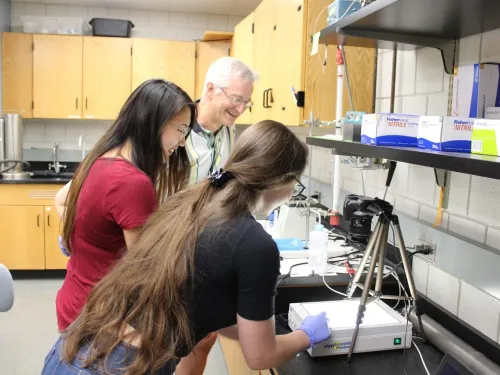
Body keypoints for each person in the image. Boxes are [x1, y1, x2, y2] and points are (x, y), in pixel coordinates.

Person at [42, 120, 331, 375]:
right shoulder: (256, 245)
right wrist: (306, 335)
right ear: (281, 181)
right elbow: (261, 357)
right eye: (296, 182)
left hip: (73, 349)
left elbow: (198, 306)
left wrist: (254, 330)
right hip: (120, 366)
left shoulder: (192, 202)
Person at [53, 79, 195, 333]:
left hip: (75, 302)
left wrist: (81, 244)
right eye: (181, 130)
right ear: (155, 123)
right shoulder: (132, 182)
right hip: (103, 319)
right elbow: (147, 270)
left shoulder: (102, 158)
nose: (182, 142)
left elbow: (61, 199)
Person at [187, 56, 257, 183]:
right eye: (236, 99)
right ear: (211, 90)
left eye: (246, 102)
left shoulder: (229, 127)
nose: (241, 110)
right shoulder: (179, 131)